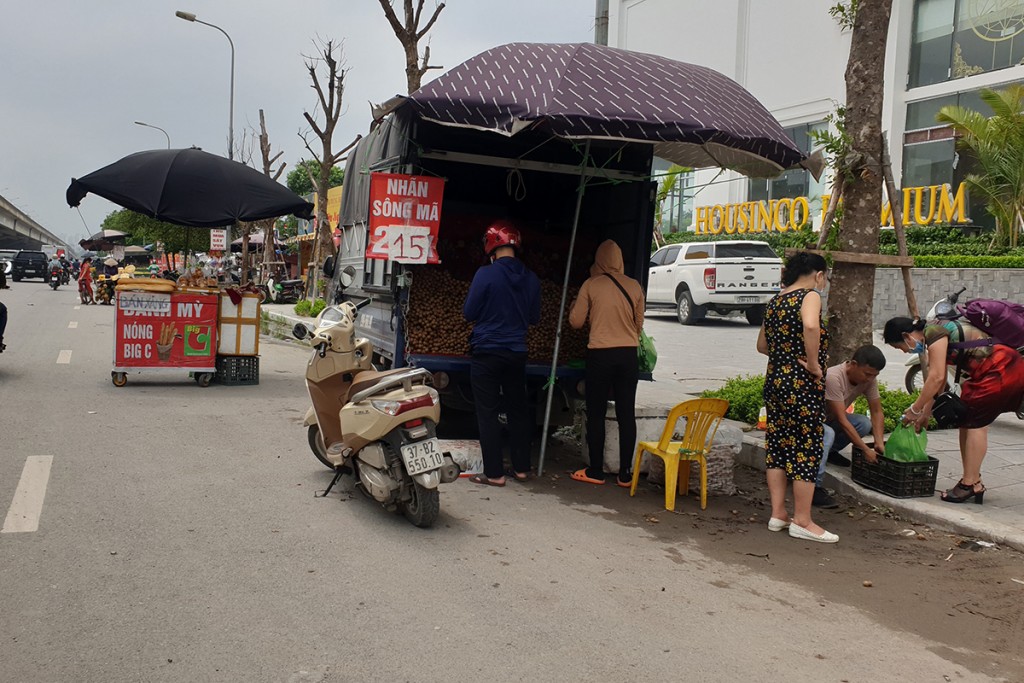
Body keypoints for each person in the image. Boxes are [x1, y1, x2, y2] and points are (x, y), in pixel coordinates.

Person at [883, 315, 1024, 504]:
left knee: (975, 424)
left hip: (1000, 368)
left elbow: (936, 378)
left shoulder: (933, 333)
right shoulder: (933, 333)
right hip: (991, 371)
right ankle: (973, 479)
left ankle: (971, 484)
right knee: (965, 420)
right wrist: (925, 413)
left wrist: (914, 409)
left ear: (906, 336)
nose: (903, 351)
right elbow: (939, 385)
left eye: (899, 347)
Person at [756, 251, 838, 543]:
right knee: (806, 445)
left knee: (777, 443)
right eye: (825, 276)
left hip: (775, 382)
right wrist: (813, 364)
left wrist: (785, 356)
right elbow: (811, 325)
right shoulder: (809, 296)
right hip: (802, 384)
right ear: (818, 275)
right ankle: (802, 520)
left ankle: (778, 513)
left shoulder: (775, 301)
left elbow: (762, 345)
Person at [463, 221, 541, 487]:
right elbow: (534, 318)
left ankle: (494, 473)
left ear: (492, 246)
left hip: (486, 353)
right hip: (517, 353)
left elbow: (469, 313)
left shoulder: (485, 275)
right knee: (518, 411)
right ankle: (521, 469)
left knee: (488, 412)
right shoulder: (531, 278)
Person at [568, 239, 645, 487]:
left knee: (597, 412)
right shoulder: (634, 286)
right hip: (628, 354)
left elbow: (576, 322)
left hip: (600, 355)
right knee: (626, 413)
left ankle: (596, 471)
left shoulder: (591, 284)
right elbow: (638, 325)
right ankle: (625, 474)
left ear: (599, 260)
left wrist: (578, 309)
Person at [813, 345, 887, 508]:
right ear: (853, 364)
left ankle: (830, 452)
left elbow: (876, 411)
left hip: (829, 419)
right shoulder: (834, 376)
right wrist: (865, 450)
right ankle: (814, 487)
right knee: (829, 433)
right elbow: (842, 420)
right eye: (867, 374)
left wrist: (879, 442)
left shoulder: (869, 379)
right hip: (810, 422)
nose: (869, 379)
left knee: (863, 423)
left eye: (874, 375)